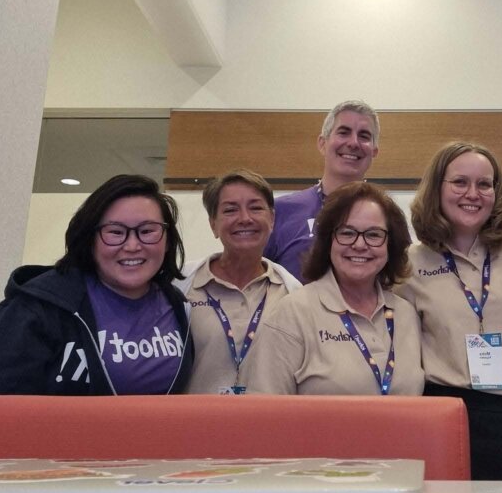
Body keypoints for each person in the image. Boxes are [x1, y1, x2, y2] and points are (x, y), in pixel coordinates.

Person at [0, 175, 194, 428]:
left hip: (151, 464)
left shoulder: (176, 304)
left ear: (167, 239)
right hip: (58, 465)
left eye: (147, 231)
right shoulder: (34, 308)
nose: (132, 245)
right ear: (90, 240)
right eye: (115, 232)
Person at [398, 141, 502, 481]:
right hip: (449, 416)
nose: (472, 193)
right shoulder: (410, 264)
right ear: (437, 189)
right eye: (460, 182)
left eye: (484, 184)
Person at [242, 182, 424, 395]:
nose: (359, 244)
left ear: (390, 245)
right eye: (347, 233)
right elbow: (264, 413)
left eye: (374, 235)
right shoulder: (292, 314)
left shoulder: (406, 314)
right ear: (328, 241)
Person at [176, 170, 301, 394]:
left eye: (255, 207)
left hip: (269, 424)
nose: (245, 218)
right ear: (213, 224)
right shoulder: (180, 287)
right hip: (196, 425)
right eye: (230, 210)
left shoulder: (293, 293)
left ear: (272, 219)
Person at [263, 100, 379, 282]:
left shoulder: (385, 215)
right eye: (343, 132)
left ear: (374, 151)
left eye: (364, 136)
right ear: (322, 143)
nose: (353, 142)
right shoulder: (281, 211)